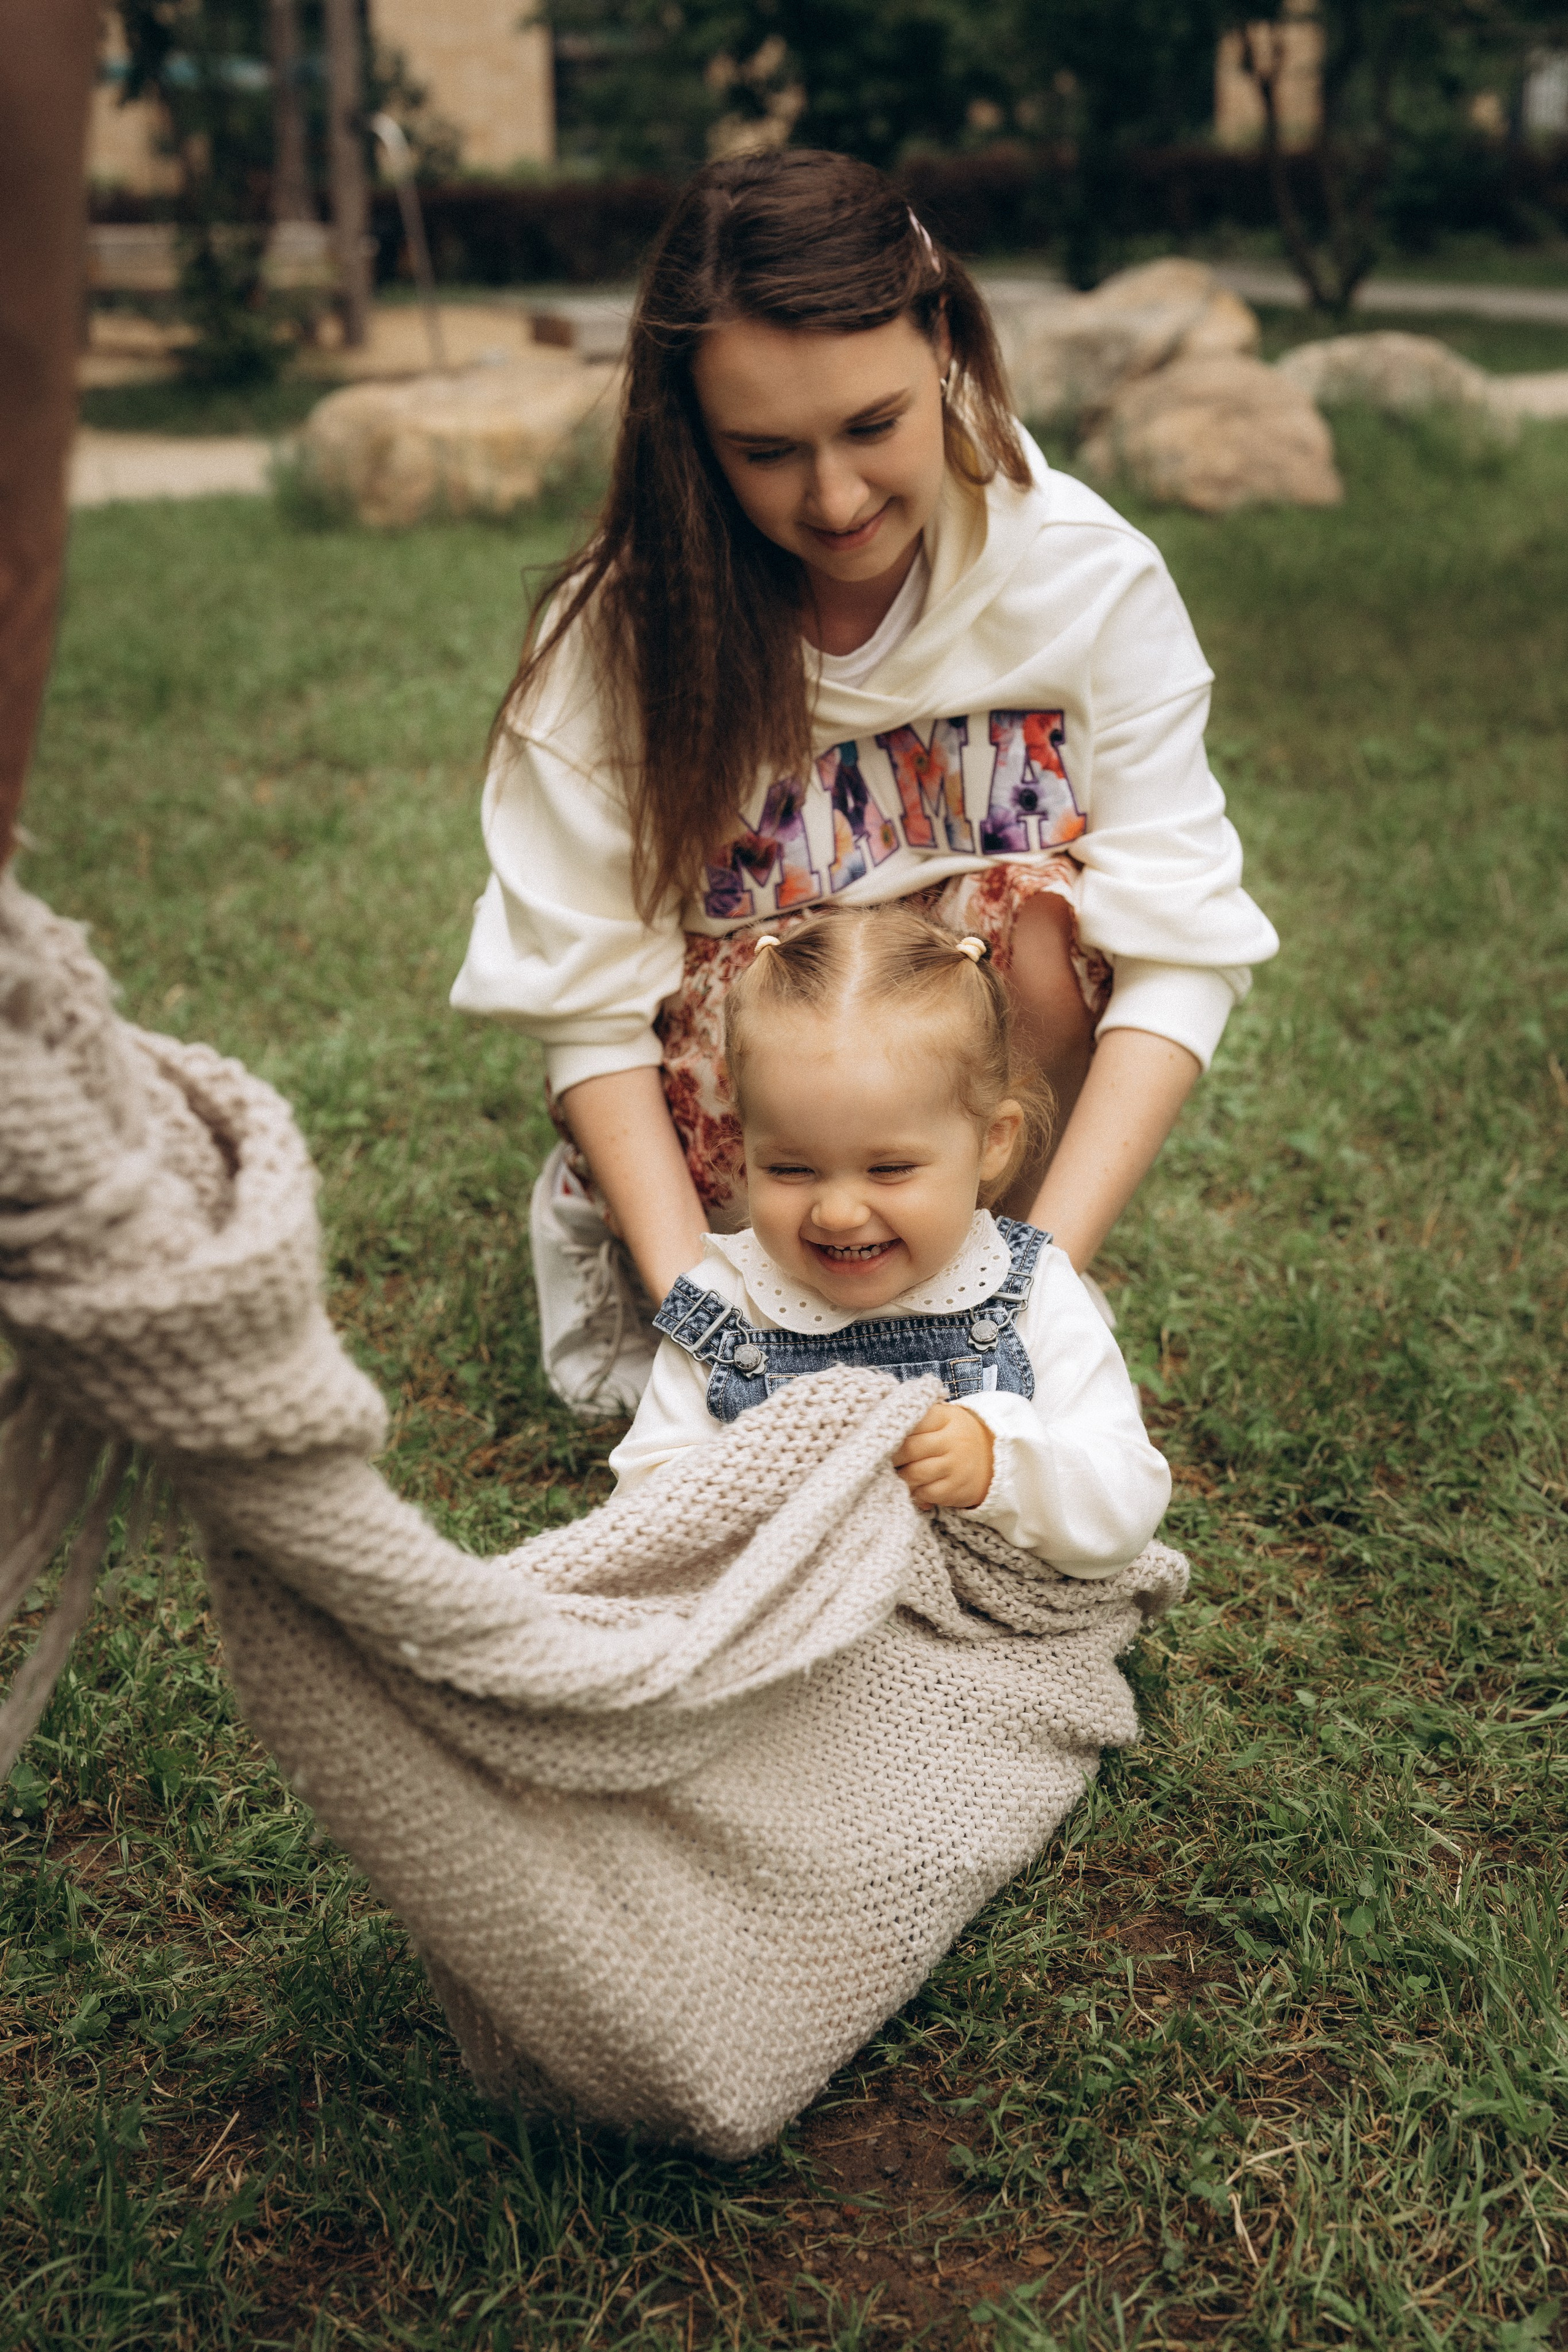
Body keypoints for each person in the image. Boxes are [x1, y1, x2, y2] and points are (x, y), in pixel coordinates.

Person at [450, 148, 1278, 1414]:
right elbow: (584, 1004)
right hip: (732, 1069)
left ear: (941, 338)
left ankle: (967, 1286)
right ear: (691, 433)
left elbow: (1180, 946)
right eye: (766, 450)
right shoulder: (611, 642)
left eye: (872, 426)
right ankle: (665, 1240)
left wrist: (1041, 1283)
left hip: (943, 1053)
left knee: (1044, 920)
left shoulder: (1086, 581)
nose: (833, 498)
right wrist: (692, 1303)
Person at [609, 905, 1170, 1578]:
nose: (840, 1212)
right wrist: (751, 1491)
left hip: (982, 1624)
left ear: (992, 1142)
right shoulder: (726, 1306)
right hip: (781, 1617)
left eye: (889, 1169)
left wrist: (1000, 1463)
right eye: (790, 1169)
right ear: (742, 1154)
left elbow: (1125, 1499)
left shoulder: (1030, 1294)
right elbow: (640, 1508)